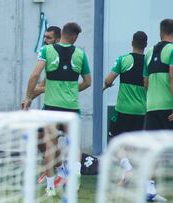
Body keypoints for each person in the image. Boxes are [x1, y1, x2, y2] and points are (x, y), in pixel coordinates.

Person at [22, 22, 91, 196]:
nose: (46, 40)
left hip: (51, 108)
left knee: (49, 146)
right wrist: (72, 90)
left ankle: (50, 186)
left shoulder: (47, 52)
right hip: (71, 108)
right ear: (74, 36)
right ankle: (75, 171)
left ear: (62, 35)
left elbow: (35, 75)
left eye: (48, 37)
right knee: (74, 142)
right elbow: (88, 82)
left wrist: (28, 97)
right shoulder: (81, 54)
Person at [103, 31, 148, 137]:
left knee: (119, 143)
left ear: (132, 43)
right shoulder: (148, 62)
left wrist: (107, 85)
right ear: (146, 45)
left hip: (123, 110)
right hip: (141, 112)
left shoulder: (123, 59)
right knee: (139, 144)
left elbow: (108, 81)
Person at [144, 19, 173, 130]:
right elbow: (172, 77)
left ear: (160, 33)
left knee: (153, 146)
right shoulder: (172, 50)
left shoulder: (149, 52)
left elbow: (145, 83)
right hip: (168, 108)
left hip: (151, 107)